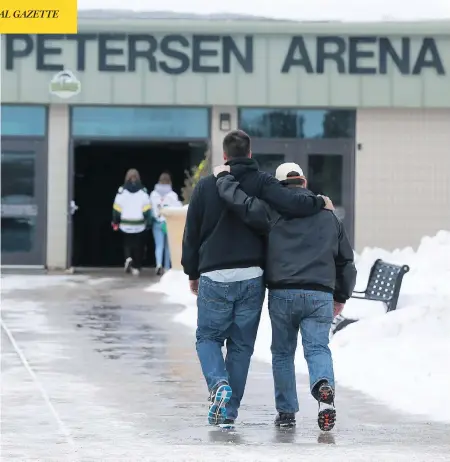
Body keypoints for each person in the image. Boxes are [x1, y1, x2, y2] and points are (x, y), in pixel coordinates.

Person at [181, 130, 334, 428]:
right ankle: (228, 412)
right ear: (250, 154)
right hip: (252, 276)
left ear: (224, 156)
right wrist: (319, 202)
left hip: (214, 273)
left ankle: (218, 386)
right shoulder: (263, 182)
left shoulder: (205, 186)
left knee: (208, 337)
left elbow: (191, 234)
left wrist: (192, 271)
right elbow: (292, 204)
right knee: (241, 347)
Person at [214, 161, 357, 432]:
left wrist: (224, 179)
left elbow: (242, 205)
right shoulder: (328, 215)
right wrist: (341, 295)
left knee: (282, 354)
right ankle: (323, 387)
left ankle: (286, 412)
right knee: (317, 348)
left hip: (282, 292)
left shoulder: (271, 210)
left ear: (279, 187)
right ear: (303, 182)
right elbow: (345, 261)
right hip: (320, 294)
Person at [112, 168, 151, 276]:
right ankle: (136, 266)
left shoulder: (121, 191)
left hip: (125, 223)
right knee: (138, 245)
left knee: (127, 243)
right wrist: (148, 221)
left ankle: (128, 258)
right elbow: (147, 209)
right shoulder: (143, 191)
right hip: (139, 223)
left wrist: (115, 221)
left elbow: (116, 208)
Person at [150, 172, 182, 275]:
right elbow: (178, 208)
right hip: (169, 222)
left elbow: (151, 208)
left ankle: (158, 264)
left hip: (157, 222)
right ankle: (167, 268)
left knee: (159, 245)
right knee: (169, 246)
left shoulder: (153, 194)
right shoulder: (172, 195)